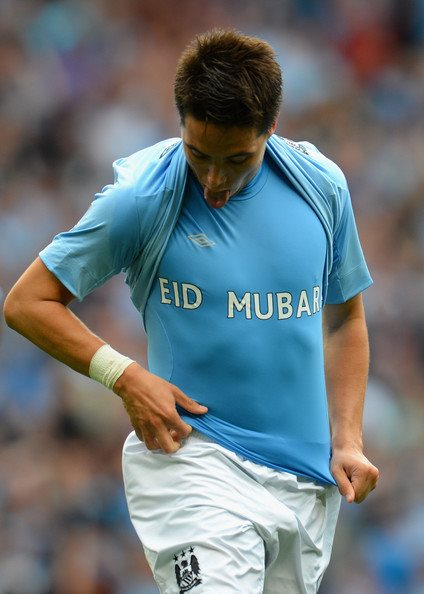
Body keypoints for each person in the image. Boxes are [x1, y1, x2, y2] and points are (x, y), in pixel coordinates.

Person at [4, 29, 379, 594]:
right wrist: (124, 375)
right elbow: (27, 301)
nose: (214, 180)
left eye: (236, 159)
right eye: (198, 153)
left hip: (305, 487)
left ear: (270, 128)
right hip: (194, 466)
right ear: (180, 122)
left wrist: (347, 438)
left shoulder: (321, 186)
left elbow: (345, 318)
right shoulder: (141, 199)